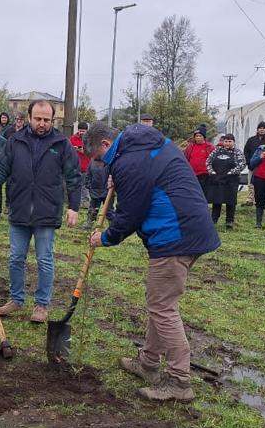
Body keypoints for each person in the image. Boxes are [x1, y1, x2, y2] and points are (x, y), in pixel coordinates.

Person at [85, 122, 220, 402]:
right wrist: (120, 179)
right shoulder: (142, 148)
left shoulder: (129, 162)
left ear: (107, 145)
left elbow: (131, 213)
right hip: (188, 228)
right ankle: (148, 364)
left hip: (175, 235)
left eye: (99, 158)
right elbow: (147, 183)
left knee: (162, 308)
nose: (101, 164)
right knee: (160, 304)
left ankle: (179, 382)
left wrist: (107, 237)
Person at [0, 99, 80, 324]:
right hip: (19, 209)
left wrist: (74, 207)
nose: (42, 123)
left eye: (46, 120)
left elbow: (73, 177)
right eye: (37, 119)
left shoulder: (61, 144)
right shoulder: (15, 142)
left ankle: (41, 305)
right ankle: (16, 299)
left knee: (45, 259)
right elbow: (0, 170)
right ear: (29, 118)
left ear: (52, 120)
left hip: (46, 211)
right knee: (15, 258)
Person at [205, 134, 246, 229]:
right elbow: (208, 161)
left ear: (233, 142)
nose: (227, 143)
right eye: (226, 141)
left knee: (230, 201)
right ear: (223, 142)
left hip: (231, 180)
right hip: (218, 179)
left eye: (230, 141)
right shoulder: (217, 151)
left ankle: (229, 221)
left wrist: (231, 172)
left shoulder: (237, 152)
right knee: (216, 200)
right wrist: (211, 171)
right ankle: (214, 219)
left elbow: (242, 164)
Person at [242, 122, 265, 207]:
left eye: (264, 128)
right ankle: (250, 200)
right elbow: (246, 152)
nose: (262, 129)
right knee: (250, 183)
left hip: (264, 166)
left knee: (263, 184)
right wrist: (249, 162)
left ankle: (263, 200)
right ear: (257, 129)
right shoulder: (251, 140)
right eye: (260, 128)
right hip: (252, 165)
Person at [183, 126, 214, 196]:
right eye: (196, 136)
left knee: (204, 194)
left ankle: (204, 206)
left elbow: (214, 160)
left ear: (204, 137)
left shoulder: (209, 147)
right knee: (193, 193)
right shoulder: (190, 147)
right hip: (193, 175)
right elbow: (185, 159)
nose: (198, 138)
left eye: (200, 136)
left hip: (205, 175)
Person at [69, 121, 91, 209]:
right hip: (75, 165)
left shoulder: (89, 140)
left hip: (86, 166)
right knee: (75, 184)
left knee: (85, 185)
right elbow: (68, 150)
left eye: (83, 131)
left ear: (87, 131)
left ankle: (85, 202)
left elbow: (91, 152)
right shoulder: (73, 138)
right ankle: (75, 201)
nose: (81, 133)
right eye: (80, 131)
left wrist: (83, 151)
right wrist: (74, 149)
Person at [85, 158, 109, 223]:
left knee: (109, 209)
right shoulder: (92, 161)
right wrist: (88, 184)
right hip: (94, 189)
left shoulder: (109, 160)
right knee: (93, 208)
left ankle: (113, 223)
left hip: (107, 190)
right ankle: (90, 222)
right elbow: (88, 173)